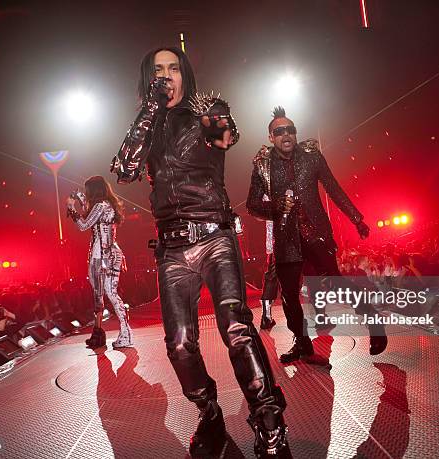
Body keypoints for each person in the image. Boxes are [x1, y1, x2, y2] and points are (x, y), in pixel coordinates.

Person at [110, 47, 289, 458]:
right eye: (158, 70)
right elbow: (125, 167)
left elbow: (227, 137)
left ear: (185, 74)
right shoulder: (147, 125)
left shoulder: (205, 112)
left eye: (173, 68)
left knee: (236, 328)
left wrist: (213, 111)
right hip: (172, 247)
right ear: (147, 79)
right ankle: (209, 413)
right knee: (179, 345)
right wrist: (150, 108)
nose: (166, 76)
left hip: (214, 235)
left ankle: (269, 422)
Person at [247, 106, 387, 364]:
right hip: (286, 238)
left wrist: (357, 219)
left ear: (295, 133)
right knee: (289, 294)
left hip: (316, 233)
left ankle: (373, 321)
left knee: (335, 282)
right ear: (271, 137)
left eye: (290, 129)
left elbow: (333, 188)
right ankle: (302, 343)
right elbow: (252, 205)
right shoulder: (262, 165)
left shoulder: (312, 157)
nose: (286, 134)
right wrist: (275, 206)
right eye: (279, 131)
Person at [67, 176, 133, 350]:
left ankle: (110, 334)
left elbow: (83, 225)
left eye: (87, 191)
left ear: (93, 191)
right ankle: (121, 333)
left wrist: (70, 208)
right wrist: (80, 199)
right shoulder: (107, 206)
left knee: (101, 295)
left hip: (100, 255)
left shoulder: (100, 206)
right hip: (112, 252)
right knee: (110, 294)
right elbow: (91, 214)